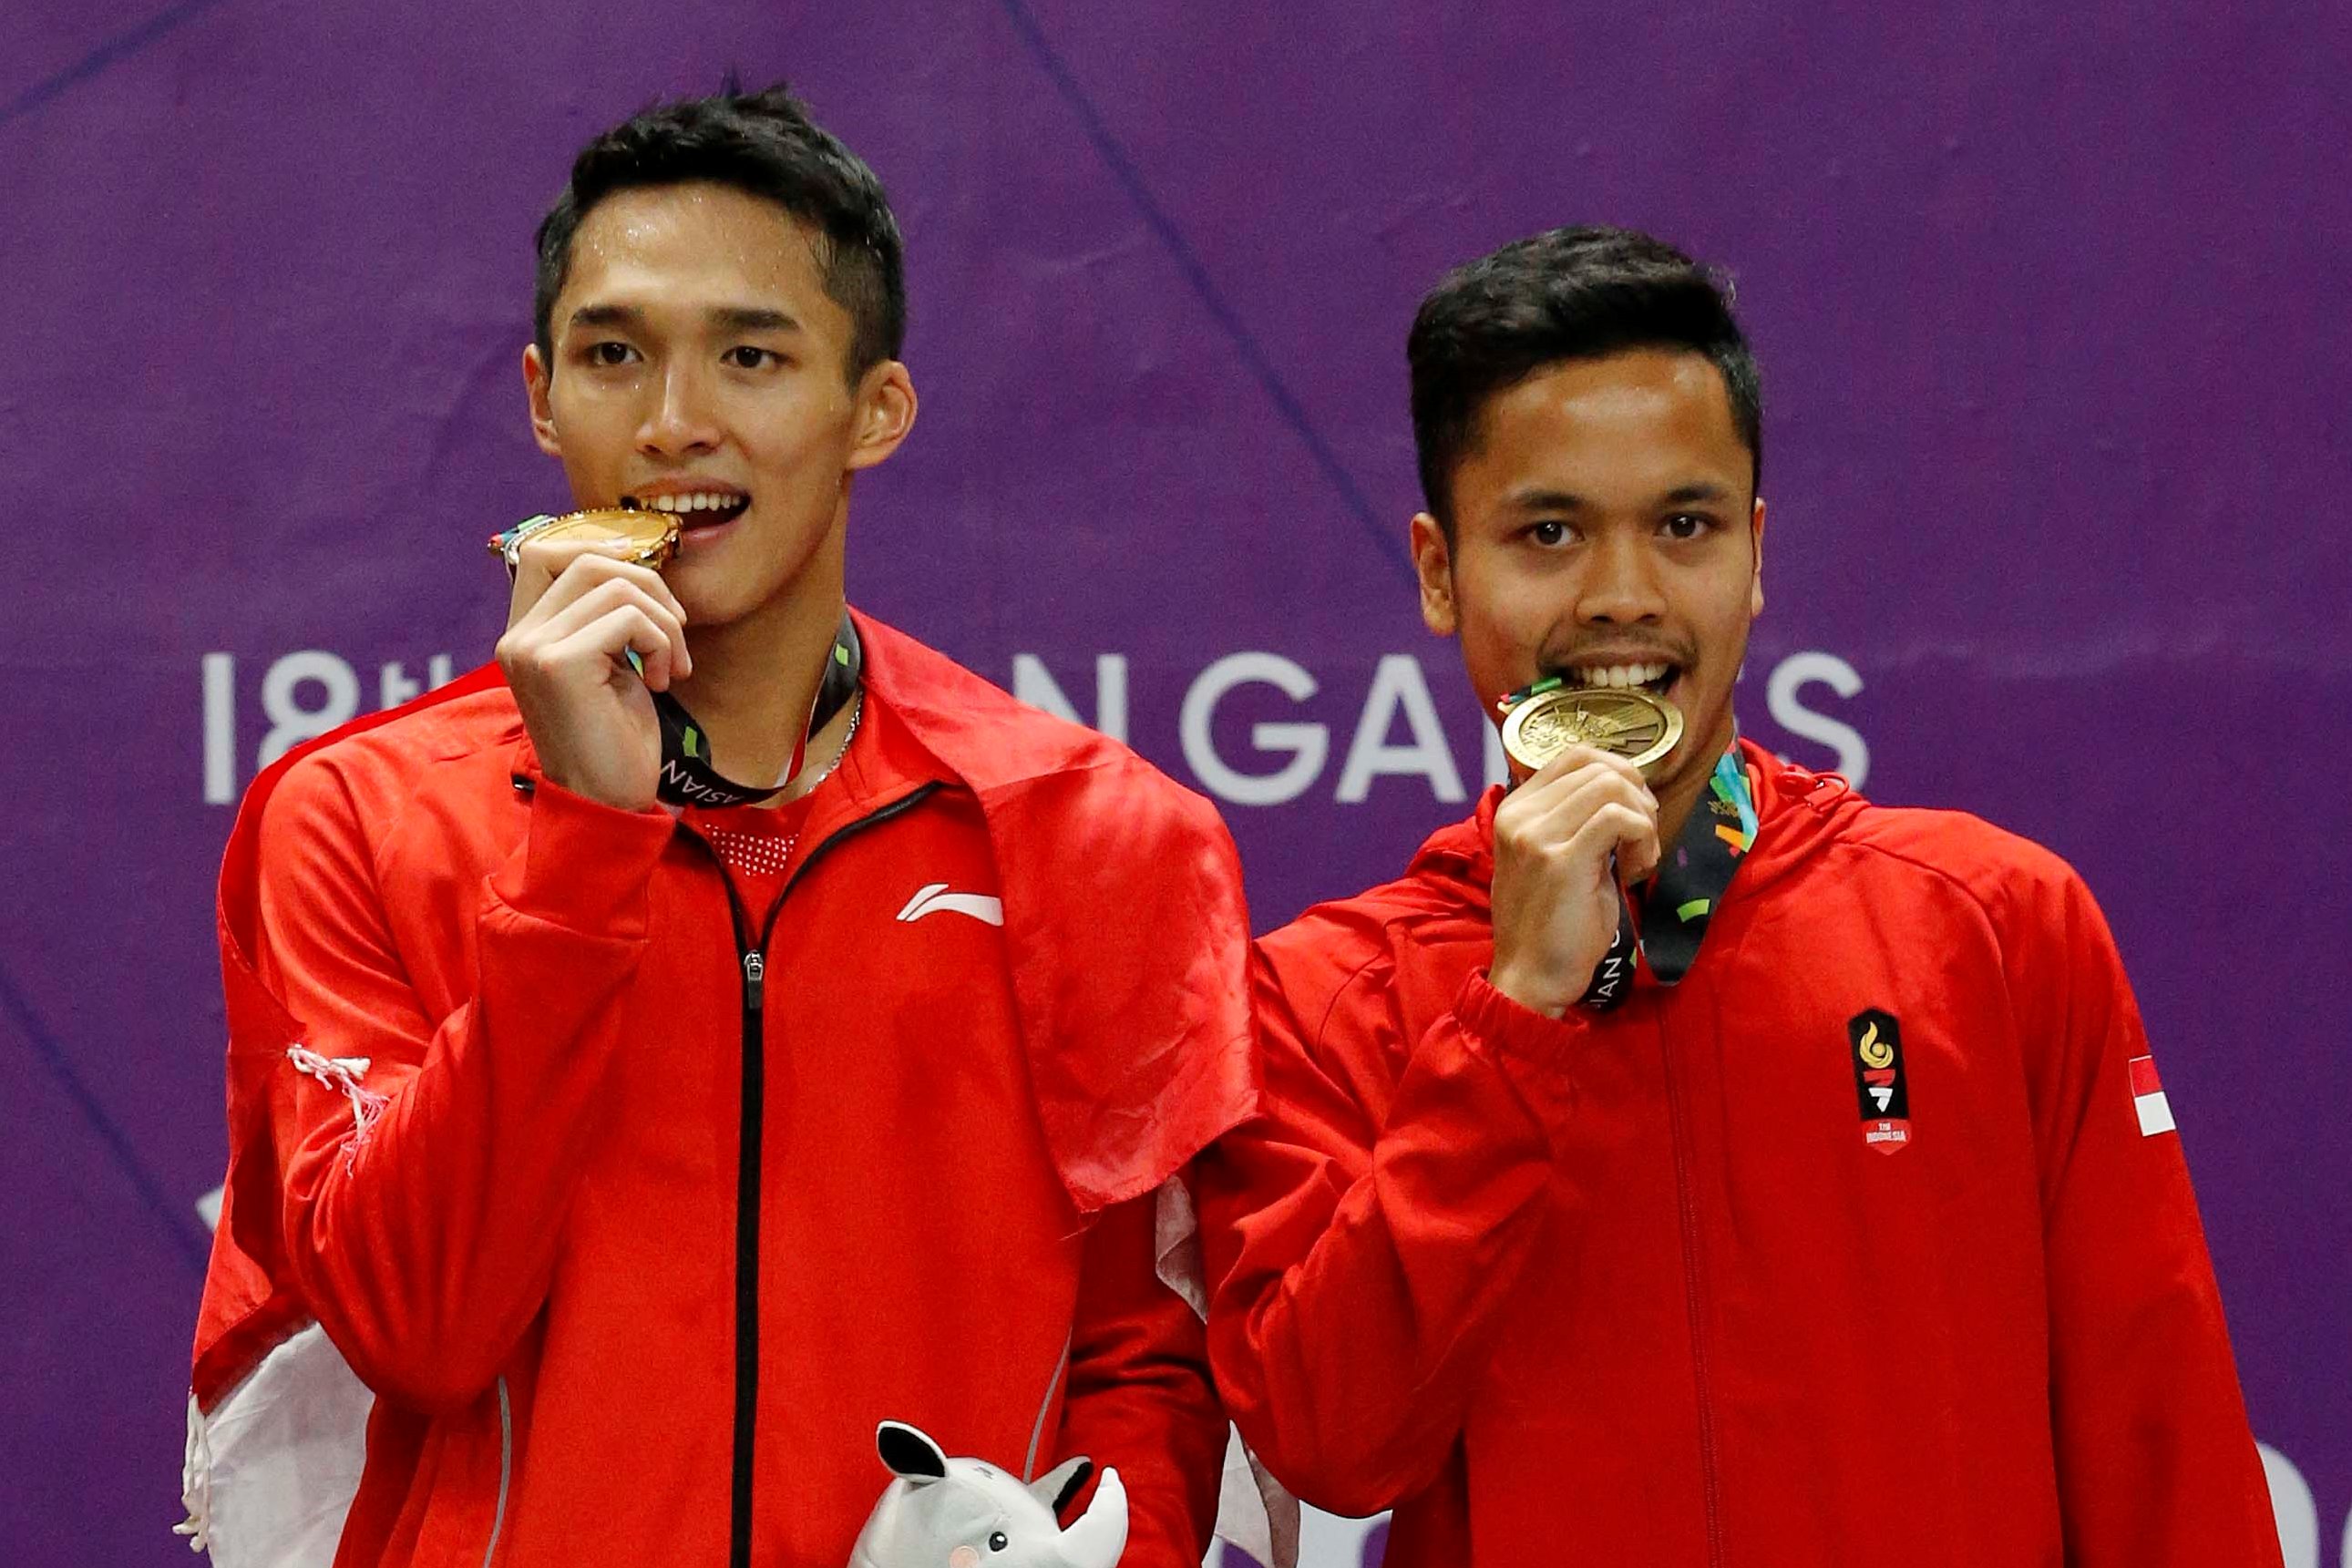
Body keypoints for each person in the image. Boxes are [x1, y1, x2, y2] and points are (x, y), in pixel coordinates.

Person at [185, 83, 1251, 1568]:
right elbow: (415, 1327)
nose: (675, 424)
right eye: (615, 355)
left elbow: (1153, 1348)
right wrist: (580, 842)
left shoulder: (1095, 831)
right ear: (542, 395)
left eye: (751, 356)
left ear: (872, 409)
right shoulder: (356, 815)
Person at [1192, 225, 2282, 1565]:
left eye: (1684, 526)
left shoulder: (1991, 926)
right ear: (1437, 570)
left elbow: (2162, 1457)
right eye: (1546, 532)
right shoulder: (1320, 997)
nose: (1621, 597)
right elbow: (1329, 1441)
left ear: (1754, 554)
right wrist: (1514, 1013)